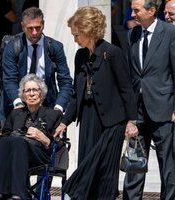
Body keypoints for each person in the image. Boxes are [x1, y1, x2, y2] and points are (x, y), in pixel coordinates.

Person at [54, 6, 138, 200]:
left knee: (106, 171)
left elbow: (126, 89)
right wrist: (65, 121)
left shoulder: (112, 53)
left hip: (112, 123)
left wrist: (131, 120)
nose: (74, 39)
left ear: (88, 30)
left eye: (77, 34)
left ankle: (79, 193)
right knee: (87, 162)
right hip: (88, 119)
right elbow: (76, 93)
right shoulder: (80, 56)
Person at [123, 0, 175, 199]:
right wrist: (129, 116)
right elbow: (131, 76)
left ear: (152, 11)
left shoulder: (170, 33)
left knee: (168, 168)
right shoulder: (132, 35)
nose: (132, 14)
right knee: (134, 165)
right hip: (137, 111)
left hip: (163, 110)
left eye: (136, 10)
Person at [0, 74, 62, 200]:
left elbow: (58, 143)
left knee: (18, 142)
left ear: (41, 93)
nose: (31, 94)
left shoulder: (53, 115)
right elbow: (5, 133)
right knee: (6, 141)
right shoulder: (16, 113)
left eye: (35, 90)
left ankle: (19, 194)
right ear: (23, 95)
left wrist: (43, 138)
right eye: (27, 91)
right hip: (16, 153)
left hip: (40, 154)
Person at [0, 6, 73, 123]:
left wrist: (58, 108)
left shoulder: (55, 47)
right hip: (16, 105)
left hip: (47, 106)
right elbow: (9, 80)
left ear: (43, 24)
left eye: (38, 28)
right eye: (30, 28)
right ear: (23, 27)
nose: (34, 33)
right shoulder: (12, 46)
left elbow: (65, 81)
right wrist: (18, 103)